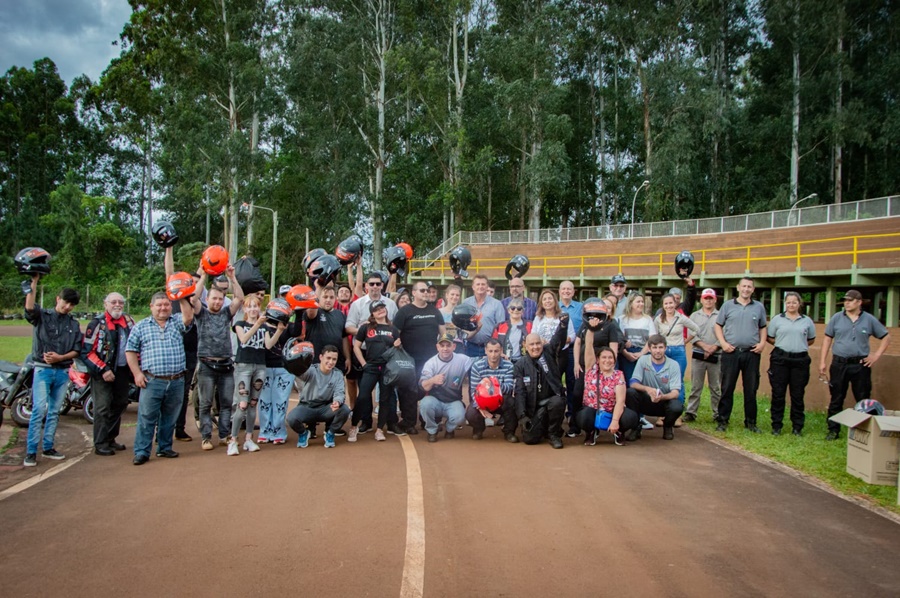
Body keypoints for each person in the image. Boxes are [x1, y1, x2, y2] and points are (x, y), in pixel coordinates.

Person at [125, 291, 195, 465]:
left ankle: (164, 447)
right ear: (151, 307)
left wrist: (182, 295)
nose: (163, 308)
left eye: (166, 305)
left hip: (176, 379)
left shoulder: (177, 322)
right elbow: (130, 350)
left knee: (170, 417)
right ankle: (142, 451)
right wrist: (137, 373)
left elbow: (188, 317)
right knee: (146, 417)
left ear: (171, 306)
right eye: (159, 305)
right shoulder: (141, 326)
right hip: (152, 380)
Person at [22, 277, 81, 467]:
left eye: (72, 304)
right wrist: (34, 283)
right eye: (66, 302)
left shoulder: (73, 324)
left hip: (62, 371)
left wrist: (60, 357)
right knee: (39, 410)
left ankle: (48, 447)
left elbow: (77, 350)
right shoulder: (43, 316)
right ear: (58, 299)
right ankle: (31, 451)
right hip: (43, 369)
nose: (68, 307)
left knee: (55, 411)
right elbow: (30, 308)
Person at [820, 289, 890, 441]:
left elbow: (885, 337)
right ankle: (833, 430)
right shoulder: (837, 318)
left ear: (859, 302)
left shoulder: (869, 319)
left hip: (860, 365)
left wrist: (876, 355)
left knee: (863, 399)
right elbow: (827, 339)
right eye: (845, 300)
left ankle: (862, 431)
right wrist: (822, 361)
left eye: (850, 300)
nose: (846, 303)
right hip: (839, 364)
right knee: (836, 397)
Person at [191, 265, 244, 451]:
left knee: (226, 404)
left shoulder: (226, 313)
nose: (217, 302)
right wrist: (203, 276)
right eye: (214, 298)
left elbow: (239, 298)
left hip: (226, 364)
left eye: (220, 299)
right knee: (205, 404)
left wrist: (233, 278)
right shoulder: (201, 313)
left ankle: (223, 435)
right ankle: (206, 437)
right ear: (207, 299)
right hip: (206, 364)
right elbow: (193, 299)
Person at [82, 292, 135, 456]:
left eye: (120, 302)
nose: (117, 305)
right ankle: (100, 442)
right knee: (102, 407)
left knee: (120, 403)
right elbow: (86, 352)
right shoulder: (97, 324)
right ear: (106, 304)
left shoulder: (128, 322)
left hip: (123, 371)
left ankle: (111, 438)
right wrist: (103, 369)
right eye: (113, 302)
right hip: (102, 372)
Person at [714, 277, 767, 433]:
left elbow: (763, 327)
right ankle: (723, 420)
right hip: (731, 352)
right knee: (727, 387)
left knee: (751, 389)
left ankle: (751, 422)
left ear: (753, 289)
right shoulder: (728, 305)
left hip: (751, 353)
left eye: (749, 287)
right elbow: (718, 325)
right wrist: (723, 343)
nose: (746, 289)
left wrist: (762, 343)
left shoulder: (758, 307)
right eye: (743, 286)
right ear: (738, 287)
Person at [394, 281, 446, 434]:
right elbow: (395, 333)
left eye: (427, 290)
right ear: (414, 293)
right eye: (422, 290)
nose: (426, 293)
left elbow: (443, 334)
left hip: (430, 360)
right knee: (408, 391)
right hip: (408, 359)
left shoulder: (435, 311)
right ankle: (409, 422)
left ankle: (428, 420)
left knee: (429, 389)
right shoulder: (404, 311)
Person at [350, 300, 402, 441]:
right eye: (377, 309)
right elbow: (356, 346)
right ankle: (354, 426)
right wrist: (364, 363)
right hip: (371, 367)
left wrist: (397, 346)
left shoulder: (393, 329)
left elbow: (398, 350)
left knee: (385, 399)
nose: (381, 310)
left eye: (382, 308)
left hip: (387, 368)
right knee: (363, 397)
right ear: (372, 313)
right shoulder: (366, 327)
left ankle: (379, 429)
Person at [766, 292, 816, 436]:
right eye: (788, 302)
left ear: (799, 304)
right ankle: (776, 426)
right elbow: (770, 337)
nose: (791, 305)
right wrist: (783, 344)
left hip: (800, 361)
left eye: (794, 302)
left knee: (797, 395)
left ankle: (797, 427)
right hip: (780, 360)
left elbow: (811, 340)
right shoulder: (777, 319)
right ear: (785, 303)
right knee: (778, 394)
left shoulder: (806, 321)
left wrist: (797, 345)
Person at [227, 295, 271, 455]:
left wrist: (279, 331)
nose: (253, 309)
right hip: (243, 366)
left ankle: (249, 439)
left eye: (256, 306)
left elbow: (268, 345)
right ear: (245, 309)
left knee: (253, 404)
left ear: (259, 308)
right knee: (242, 404)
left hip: (260, 366)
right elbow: (244, 339)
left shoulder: (264, 327)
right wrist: (258, 324)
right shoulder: (239, 324)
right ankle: (233, 440)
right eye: (250, 306)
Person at [513, 320, 569, 449]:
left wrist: (563, 326)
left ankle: (554, 434)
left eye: (538, 343)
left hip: (552, 401)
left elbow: (557, 339)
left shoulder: (549, 353)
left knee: (558, 401)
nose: (535, 347)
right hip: (534, 409)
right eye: (531, 344)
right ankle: (543, 428)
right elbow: (519, 392)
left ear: (542, 344)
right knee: (530, 439)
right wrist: (522, 416)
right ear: (525, 346)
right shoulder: (519, 365)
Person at [575, 336, 639, 446]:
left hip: (612, 411)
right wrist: (591, 329)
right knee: (583, 416)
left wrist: (615, 421)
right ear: (598, 360)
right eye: (604, 357)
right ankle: (591, 432)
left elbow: (620, 401)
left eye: (610, 358)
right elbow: (589, 346)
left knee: (630, 417)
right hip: (593, 410)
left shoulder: (618, 375)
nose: (607, 360)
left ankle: (619, 432)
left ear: (614, 360)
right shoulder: (591, 370)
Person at [570, 300, 620, 437]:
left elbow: (613, 349)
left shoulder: (611, 326)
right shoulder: (586, 324)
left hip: (603, 365)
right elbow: (578, 343)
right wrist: (576, 363)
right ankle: (574, 426)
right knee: (577, 394)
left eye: (608, 308)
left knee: (603, 397)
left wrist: (609, 368)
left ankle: (600, 425)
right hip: (584, 365)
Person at [164, 247, 199, 442]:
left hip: (190, 351)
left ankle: (179, 428)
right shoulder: (175, 296)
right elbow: (170, 274)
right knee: (165, 391)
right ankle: (162, 431)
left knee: (183, 392)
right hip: (171, 351)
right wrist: (169, 249)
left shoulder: (196, 301)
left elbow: (202, 278)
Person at [286, 346, 350, 448]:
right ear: (321, 357)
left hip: (325, 408)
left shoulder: (337, 374)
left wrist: (337, 401)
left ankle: (330, 433)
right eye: (328, 358)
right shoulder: (311, 370)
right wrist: (294, 364)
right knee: (291, 418)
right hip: (307, 407)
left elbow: (340, 392)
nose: (331, 362)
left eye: (334, 359)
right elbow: (300, 374)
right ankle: (303, 433)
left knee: (345, 410)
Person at [419, 332, 475, 442]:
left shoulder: (463, 360)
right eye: (442, 345)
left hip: (453, 400)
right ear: (437, 347)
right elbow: (423, 386)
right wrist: (433, 380)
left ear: (454, 347)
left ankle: (449, 428)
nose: (445, 349)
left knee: (460, 417)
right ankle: (432, 431)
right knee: (425, 404)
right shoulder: (431, 363)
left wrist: (498, 356)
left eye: (448, 345)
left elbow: (480, 361)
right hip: (435, 400)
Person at [625, 335, 683, 440]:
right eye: (654, 347)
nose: (657, 351)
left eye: (660, 347)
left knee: (677, 406)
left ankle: (668, 426)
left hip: (663, 401)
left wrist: (662, 397)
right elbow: (633, 382)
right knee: (630, 392)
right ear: (650, 349)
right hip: (646, 399)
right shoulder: (643, 360)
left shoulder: (674, 365)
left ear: (665, 348)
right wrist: (647, 389)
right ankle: (636, 427)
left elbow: (675, 392)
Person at [256, 310, 297, 445]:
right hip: (265, 367)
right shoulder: (263, 326)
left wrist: (299, 311)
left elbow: (297, 331)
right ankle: (265, 431)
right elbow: (267, 345)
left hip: (284, 368)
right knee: (265, 401)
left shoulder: (288, 326)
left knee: (280, 400)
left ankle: (278, 431)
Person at [653, 292, 700, 405]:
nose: (669, 306)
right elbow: (655, 335)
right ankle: (662, 411)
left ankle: (678, 409)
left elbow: (696, 329)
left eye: (671, 303)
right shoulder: (658, 319)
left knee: (678, 380)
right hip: (664, 352)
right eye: (666, 303)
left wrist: (686, 341)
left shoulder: (681, 317)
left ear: (675, 303)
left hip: (678, 351)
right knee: (662, 380)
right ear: (663, 305)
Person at [466, 339, 517, 441]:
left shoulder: (509, 366)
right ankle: (478, 429)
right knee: (470, 414)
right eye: (490, 351)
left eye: (496, 351)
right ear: (485, 351)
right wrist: (479, 406)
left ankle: (509, 432)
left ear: (501, 350)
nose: (493, 355)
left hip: (501, 400)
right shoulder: (477, 366)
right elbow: (473, 390)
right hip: (483, 401)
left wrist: (492, 383)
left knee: (513, 404)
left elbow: (509, 387)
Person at [685, 289, 722, 422]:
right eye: (706, 298)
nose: (708, 301)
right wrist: (705, 347)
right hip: (699, 354)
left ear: (715, 299)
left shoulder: (721, 315)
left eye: (710, 298)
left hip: (716, 354)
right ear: (701, 300)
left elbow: (725, 333)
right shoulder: (695, 316)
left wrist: (714, 347)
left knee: (716, 386)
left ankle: (718, 413)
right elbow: (692, 334)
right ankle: (691, 412)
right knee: (696, 386)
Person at [461, 275, 507, 358]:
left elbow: (501, 329)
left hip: (490, 349)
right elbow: (462, 326)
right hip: (470, 347)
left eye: (483, 284)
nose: (480, 286)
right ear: (473, 287)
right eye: (478, 284)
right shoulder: (466, 303)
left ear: (487, 287)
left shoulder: (496, 304)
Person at [616, 293, 656, 384]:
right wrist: (626, 354)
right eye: (638, 301)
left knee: (643, 381)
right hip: (627, 353)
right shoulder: (622, 319)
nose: (641, 304)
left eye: (642, 302)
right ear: (631, 303)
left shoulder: (648, 319)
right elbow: (619, 339)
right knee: (628, 380)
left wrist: (641, 353)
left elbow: (651, 339)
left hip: (644, 352)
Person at [558, 281, 583, 411]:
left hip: (574, 349)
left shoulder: (581, 307)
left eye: (569, 289)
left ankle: (572, 414)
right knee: (555, 381)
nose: (566, 291)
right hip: (558, 350)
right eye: (563, 289)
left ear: (573, 292)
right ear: (559, 291)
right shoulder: (554, 306)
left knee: (572, 381)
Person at [493, 298, 532, 363]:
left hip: (524, 362)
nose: (516, 310)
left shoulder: (530, 325)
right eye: (512, 308)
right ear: (508, 310)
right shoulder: (500, 326)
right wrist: (500, 353)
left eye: (519, 308)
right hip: (504, 361)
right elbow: (493, 343)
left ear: (522, 311)